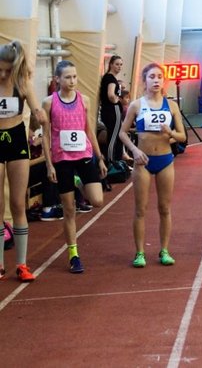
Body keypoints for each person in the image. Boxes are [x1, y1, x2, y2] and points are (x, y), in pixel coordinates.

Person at [41, 60, 107, 273]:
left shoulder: (84, 100)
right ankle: (74, 254)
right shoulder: (49, 103)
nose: (72, 81)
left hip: (84, 155)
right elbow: (46, 135)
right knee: (69, 209)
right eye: (67, 77)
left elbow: (89, 130)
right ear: (57, 79)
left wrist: (100, 157)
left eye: (74, 77)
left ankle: (79, 181)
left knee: (97, 200)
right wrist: (49, 164)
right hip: (62, 159)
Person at [119, 63, 186, 268]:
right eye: (152, 77)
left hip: (165, 160)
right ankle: (139, 252)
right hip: (143, 162)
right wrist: (134, 150)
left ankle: (164, 250)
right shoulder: (136, 105)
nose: (156, 80)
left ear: (164, 81)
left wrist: (170, 133)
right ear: (144, 81)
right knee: (141, 209)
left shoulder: (172, 106)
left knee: (165, 208)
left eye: (159, 77)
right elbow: (122, 133)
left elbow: (182, 136)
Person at [0, 40, 46, 281]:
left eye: (7, 70)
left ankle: (22, 264)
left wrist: (39, 118)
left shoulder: (23, 84)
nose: (3, 74)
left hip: (17, 140)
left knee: (18, 204)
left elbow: (37, 112)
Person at [99, 55, 124, 164]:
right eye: (117, 64)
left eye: (121, 65)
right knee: (114, 136)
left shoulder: (109, 78)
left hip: (110, 110)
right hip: (112, 110)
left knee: (118, 135)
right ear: (111, 64)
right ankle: (111, 162)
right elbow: (110, 95)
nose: (119, 67)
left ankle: (117, 160)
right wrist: (116, 100)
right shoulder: (110, 78)